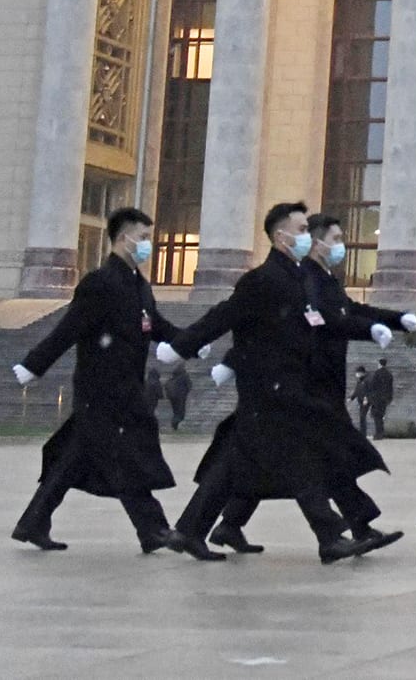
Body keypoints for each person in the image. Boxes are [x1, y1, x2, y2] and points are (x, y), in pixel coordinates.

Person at [163, 202, 395, 563]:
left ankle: (190, 530)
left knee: (234, 462)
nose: (306, 237)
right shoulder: (263, 279)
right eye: (301, 230)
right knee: (300, 459)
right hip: (268, 387)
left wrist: (369, 328)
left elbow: (319, 324)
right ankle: (330, 536)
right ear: (280, 236)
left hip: (289, 384)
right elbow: (226, 316)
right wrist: (182, 344)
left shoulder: (299, 278)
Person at [8, 207, 202, 555]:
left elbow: (155, 326)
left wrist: (189, 342)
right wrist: (34, 365)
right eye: (143, 238)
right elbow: (68, 329)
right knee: (127, 457)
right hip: (100, 391)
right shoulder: (100, 284)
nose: (148, 244)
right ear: (124, 239)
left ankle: (32, 523)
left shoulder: (138, 285)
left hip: (126, 389)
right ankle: (154, 529)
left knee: (71, 459)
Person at [365, 358, 395, 438]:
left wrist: (370, 397)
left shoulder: (377, 373)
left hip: (377, 398)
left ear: (379, 364)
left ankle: (378, 433)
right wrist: (390, 398)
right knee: (381, 415)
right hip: (385, 398)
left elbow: (373, 385)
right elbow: (390, 387)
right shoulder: (389, 374)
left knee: (376, 416)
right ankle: (381, 432)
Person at [162, 361, 190, 432]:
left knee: (176, 411)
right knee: (181, 412)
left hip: (172, 397)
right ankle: (174, 424)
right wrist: (185, 392)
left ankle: (175, 427)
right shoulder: (185, 376)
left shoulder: (174, 375)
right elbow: (189, 385)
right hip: (181, 397)